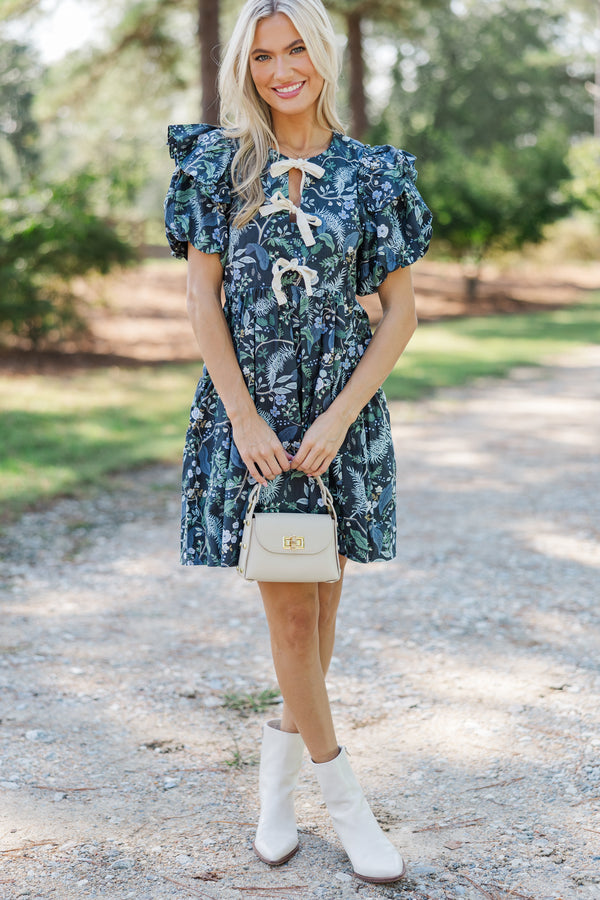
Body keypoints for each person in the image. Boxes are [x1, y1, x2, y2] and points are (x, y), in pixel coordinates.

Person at [164, 0, 432, 884]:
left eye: (296, 52)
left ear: (321, 55)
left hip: (338, 420)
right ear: (245, 67)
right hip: (253, 419)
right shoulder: (220, 167)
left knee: (317, 622)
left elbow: (399, 313)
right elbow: (203, 301)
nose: (281, 71)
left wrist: (340, 416)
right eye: (263, 56)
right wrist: (243, 416)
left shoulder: (372, 174)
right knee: (289, 615)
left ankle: (276, 792)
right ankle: (350, 809)